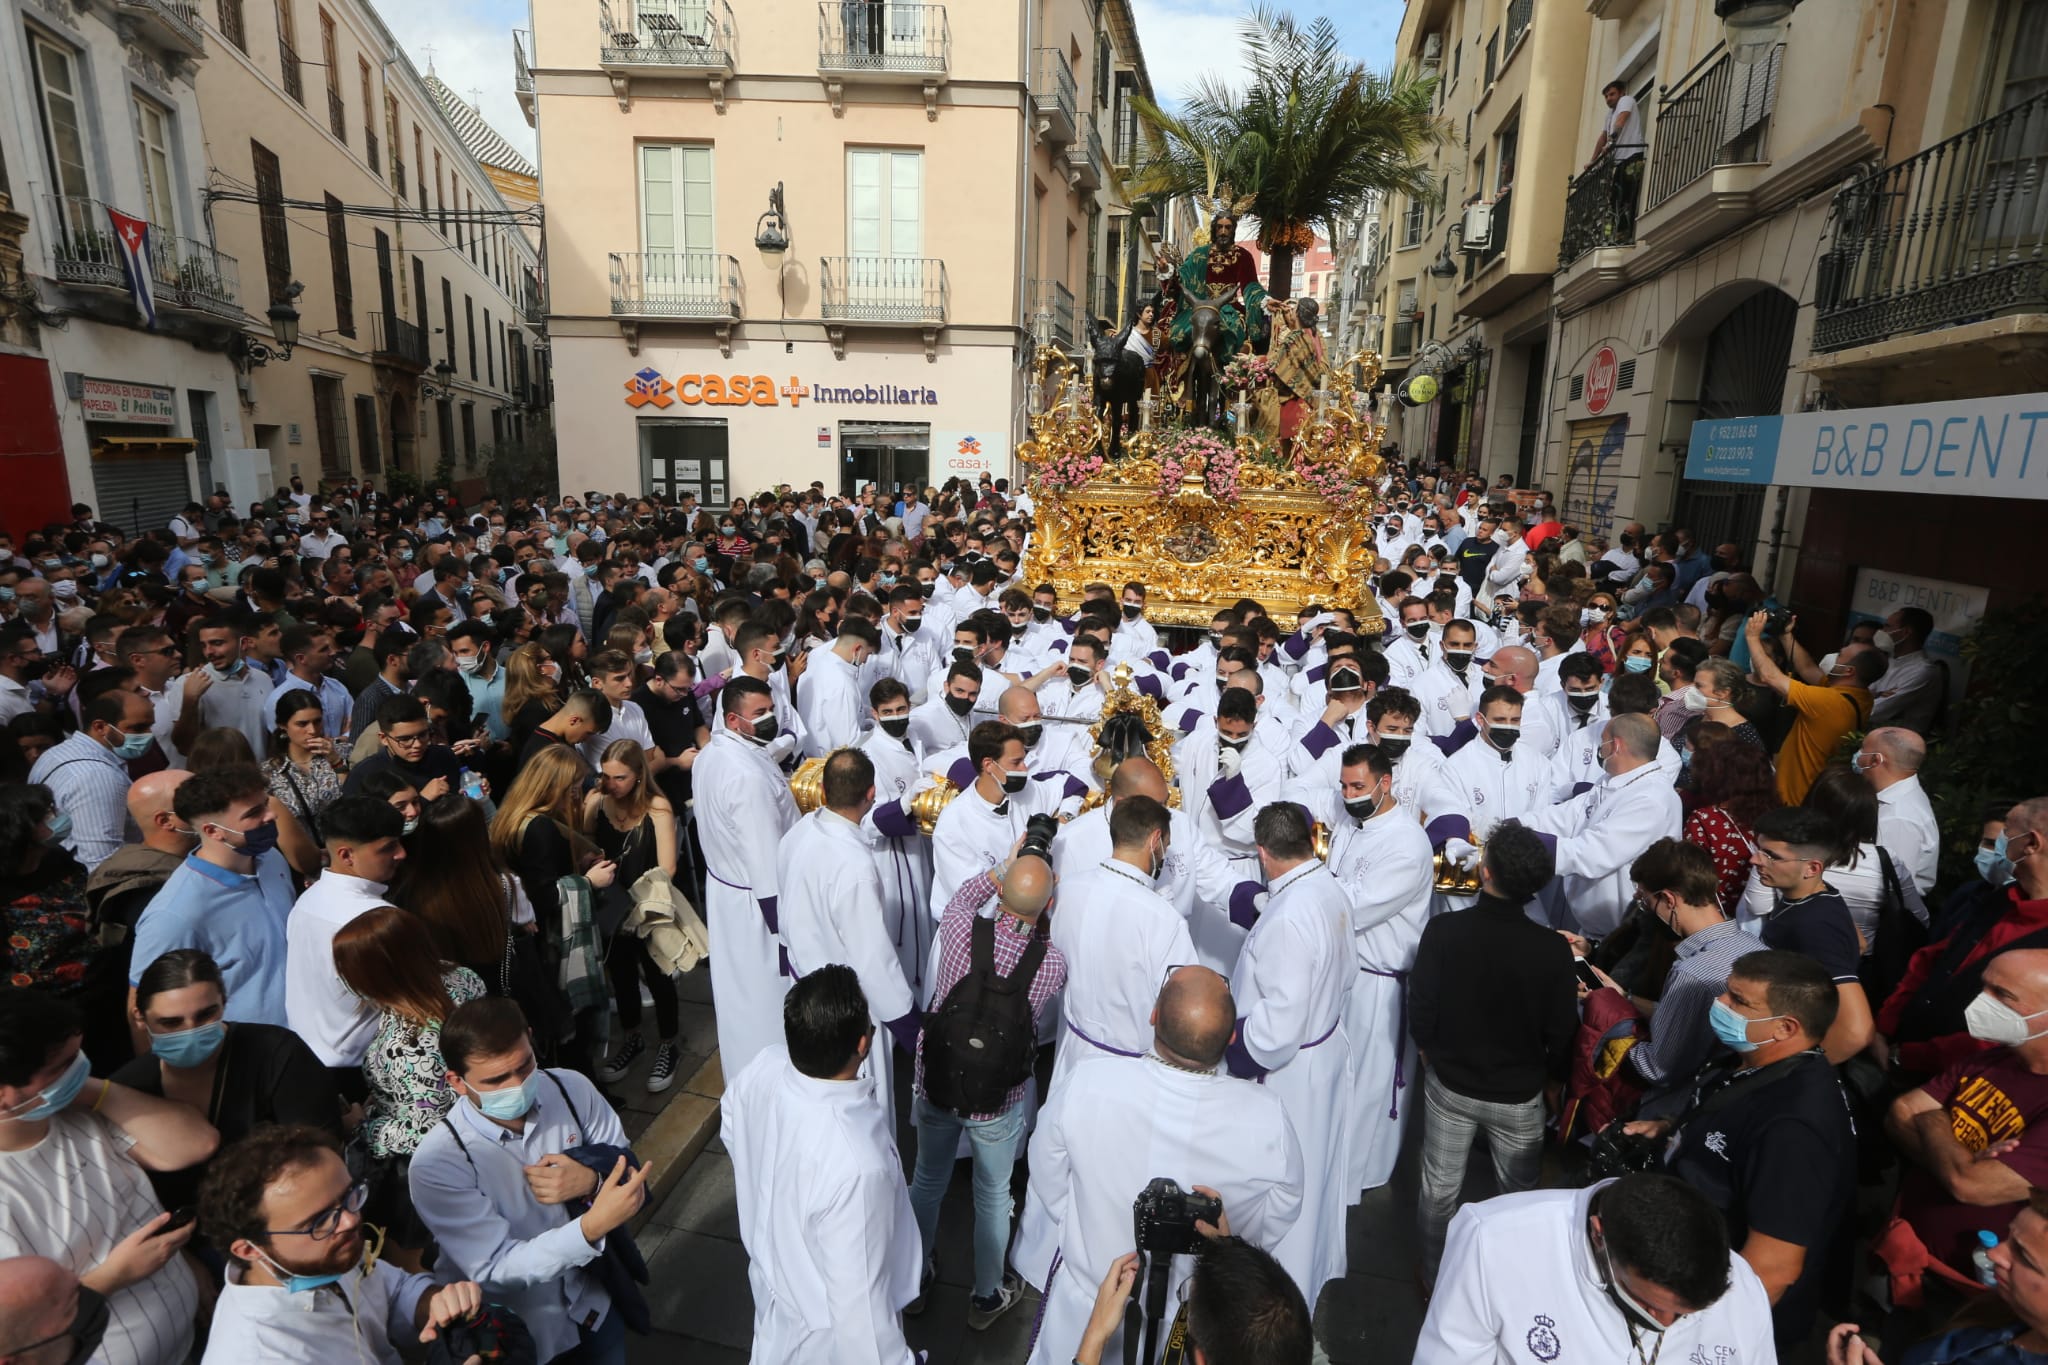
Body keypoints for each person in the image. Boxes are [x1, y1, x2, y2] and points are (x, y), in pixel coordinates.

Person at [1021, 965, 1304, 1365]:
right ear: (1232, 1037)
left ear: (1153, 1015)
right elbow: (1285, 1206)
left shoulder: (1089, 1083)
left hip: (1092, 1299)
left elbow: (1047, 1173)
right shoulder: (1266, 1117)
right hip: (1193, 1319)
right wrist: (1229, 1251)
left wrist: (1088, 1226)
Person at [1629, 950, 1856, 1351]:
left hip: (1698, 1314)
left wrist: (1689, 1338)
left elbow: (1773, 1268)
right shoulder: (1748, 1059)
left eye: (1738, 1001)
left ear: (1786, 1027)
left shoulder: (1795, 1128)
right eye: (1726, 993)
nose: (1720, 1004)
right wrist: (1674, 1130)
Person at [408, 996, 648, 1364]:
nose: (517, 1085)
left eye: (524, 1066)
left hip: (594, 1306)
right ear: (456, 1081)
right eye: (496, 1080)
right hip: (522, 1333)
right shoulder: (439, 1163)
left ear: (531, 1040)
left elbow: (628, 1172)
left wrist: (592, 1181)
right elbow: (495, 1268)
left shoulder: (572, 1089)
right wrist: (589, 1228)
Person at [0, 988, 216, 1365]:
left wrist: (88, 1089)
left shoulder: (79, 1114)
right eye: (62, 1067)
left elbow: (195, 1143)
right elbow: (12, 1329)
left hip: (189, 1339)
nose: (81, 1067)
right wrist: (115, 1276)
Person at [722, 966, 922, 1364]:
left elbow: (732, 1123)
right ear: (863, 1044)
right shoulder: (857, 1165)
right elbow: (862, 1323)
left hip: (774, 1292)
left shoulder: (764, 1067)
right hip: (823, 1338)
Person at [1410, 820, 1579, 1285]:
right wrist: (1553, 1082)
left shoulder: (1444, 931)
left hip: (1451, 1085)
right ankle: (1504, 1281)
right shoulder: (1552, 950)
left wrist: (1429, 1056)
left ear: (1484, 872)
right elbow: (1562, 1029)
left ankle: (1432, 1275)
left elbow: (1421, 1005)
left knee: (1439, 1191)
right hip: (1520, 1094)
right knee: (1517, 1198)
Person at [910, 850, 1066, 1328]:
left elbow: (963, 896)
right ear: (1050, 903)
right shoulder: (1051, 965)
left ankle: (914, 1278)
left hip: (935, 1082)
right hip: (997, 1102)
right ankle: (985, 1295)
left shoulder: (959, 928)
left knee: (927, 1180)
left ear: (1000, 892)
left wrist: (1005, 867)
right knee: (994, 1194)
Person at [198, 1124, 491, 1365]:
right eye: (319, 1221)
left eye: (350, 1195)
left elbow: (391, 1290)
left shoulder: (325, 1255)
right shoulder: (264, 1354)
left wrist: (434, 1303)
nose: (350, 1221)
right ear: (249, 1250)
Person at [1414, 1172, 1775, 1365]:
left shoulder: (1742, 1286)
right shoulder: (1496, 1240)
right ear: (1599, 1236)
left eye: (1684, 1316)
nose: (1664, 1323)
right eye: (1650, 1306)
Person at [1222, 803, 1352, 1315]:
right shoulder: (1326, 886)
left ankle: (1278, 1296)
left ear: (1262, 853)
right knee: (1315, 1178)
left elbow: (1276, 1028)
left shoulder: (1289, 916)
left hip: (1290, 1073)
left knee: (1285, 1185)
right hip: (1321, 1053)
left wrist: (1231, 1048)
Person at [776, 747, 919, 1120]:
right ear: (871, 794)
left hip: (805, 988)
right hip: (844, 1007)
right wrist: (909, 1025)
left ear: (823, 790)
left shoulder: (800, 829)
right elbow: (871, 956)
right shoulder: (853, 866)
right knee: (859, 1110)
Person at [334, 906, 486, 1246]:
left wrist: (363, 1126)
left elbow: (426, 1130)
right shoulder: (461, 978)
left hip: (434, 1170)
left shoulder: (408, 1045)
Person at [1877, 798, 2048, 1081]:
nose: (2001, 841)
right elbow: (1932, 960)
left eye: (2007, 830)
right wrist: (1886, 1024)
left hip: (1962, 1079)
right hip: (1901, 1051)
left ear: (2031, 843)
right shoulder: (1999, 899)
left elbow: (2008, 1034)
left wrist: (1908, 1056)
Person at [127, 764, 294, 1028]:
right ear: (213, 831)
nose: (271, 815)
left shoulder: (271, 860)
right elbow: (142, 1008)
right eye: (254, 813)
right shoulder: (174, 914)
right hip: (244, 1052)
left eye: (265, 804)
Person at [1048, 795, 1197, 1090]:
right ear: (1155, 840)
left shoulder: (1067, 890)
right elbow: (1181, 1007)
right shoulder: (1163, 919)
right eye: (1166, 846)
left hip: (1073, 1053)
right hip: (1132, 1073)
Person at [693, 676, 800, 1078]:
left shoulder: (714, 753)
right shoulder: (746, 779)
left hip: (727, 891)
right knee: (766, 1001)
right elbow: (764, 859)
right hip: (758, 904)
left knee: (739, 996)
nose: (770, 717)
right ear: (735, 720)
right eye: (760, 714)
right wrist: (784, 934)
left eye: (770, 708)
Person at [1600, 839, 1764, 1091]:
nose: (1645, 910)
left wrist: (1606, 1019)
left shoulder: (1692, 973)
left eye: (1645, 902)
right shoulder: (1753, 945)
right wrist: (1623, 997)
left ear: (1668, 899)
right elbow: (1687, 1016)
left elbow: (1657, 1068)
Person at [1521, 713, 1684, 937]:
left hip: (1627, 933)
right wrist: (1513, 825)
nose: (1600, 748)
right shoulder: (1612, 781)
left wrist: (1521, 845)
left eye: (1602, 742)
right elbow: (1568, 815)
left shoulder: (1651, 798)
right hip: (1595, 928)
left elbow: (1593, 854)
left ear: (1615, 745)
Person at [585, 740, 684, 1093]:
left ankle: (669, 1044)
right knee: (622, 976)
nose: (610, 784)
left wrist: (643, 908)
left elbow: (667, 865)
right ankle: (632, 1037)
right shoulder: (597, 803)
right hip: (611, 907)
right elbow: (584, 846)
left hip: (647, 906)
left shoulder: (657, 807)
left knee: (658, 977)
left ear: (639, 775)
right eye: (605, 776)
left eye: (620, 777)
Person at [284, 795, 405, 1070]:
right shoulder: (374, 920)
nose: (401, 854)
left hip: (310, 1058)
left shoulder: (307, 900)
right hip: (357, 1066)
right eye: (388, 848)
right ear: (346, 855)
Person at [1749, 805, 1874, 1061]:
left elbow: (1856, 1031)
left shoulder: (1814, 924)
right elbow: (1859, 942)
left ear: (1812, 868)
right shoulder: (1817, 895)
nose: (1755, 860)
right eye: (1758, 850)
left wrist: (1791, 1071)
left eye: (1771, 855)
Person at [1745, 610, 1881, 805]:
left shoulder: (1830, 702)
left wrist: (1752, 637)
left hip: (1795, 798)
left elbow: (1770, 677)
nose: (1835, 658)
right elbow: (1808, 668)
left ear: (1849, 671)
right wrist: (1786, 635)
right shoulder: (1859, 696)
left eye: (1840, 656)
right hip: (1809, 795)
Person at [26, 689, 154, 870]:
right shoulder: (98, 778)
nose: (148, 735)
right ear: (100, 727)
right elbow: (101, 863)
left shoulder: (58, 752)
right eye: (138, 728)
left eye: (150, 726)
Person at [1685, 737, 1781, 919]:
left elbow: (1692, 879)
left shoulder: (1704, 820)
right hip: (1770, 916)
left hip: (1721, 919)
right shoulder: (1778, 815)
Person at [1858, 727, 1942, 895]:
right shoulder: (1898, 801)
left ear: (1875, 760)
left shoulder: (1898, 817)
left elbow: (1888, 885)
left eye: (1862, 749)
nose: (1858, 756)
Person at [263, 689, 346, 841]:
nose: (312, 730)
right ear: (283, 725)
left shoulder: (342, 752)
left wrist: (337, 762)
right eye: (302, 724)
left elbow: (354, 798)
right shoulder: (270, 772)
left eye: (317, 721)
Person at [1869, 606, 1945, 735]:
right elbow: (1863, 691)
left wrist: (1873, 696)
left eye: (1887, 627)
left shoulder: (1922, 671)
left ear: (1905, 633)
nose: (1882, 631)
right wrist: (1875, 695)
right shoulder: (1888, 658)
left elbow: (1875, 712)